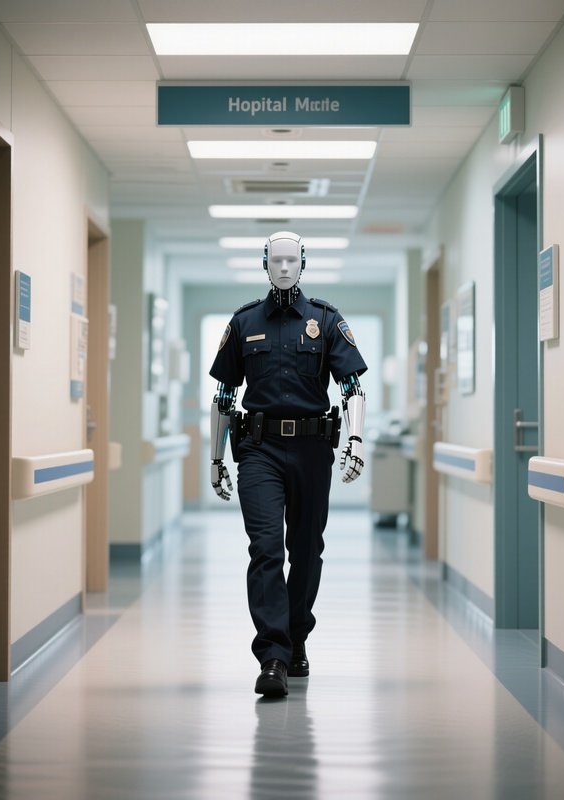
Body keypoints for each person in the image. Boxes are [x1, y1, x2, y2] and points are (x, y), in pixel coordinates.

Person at [209, 230, 368, 697]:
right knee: (265, 549)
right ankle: (273, 656)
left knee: (305, 550)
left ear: (304, 262)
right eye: (275, 260)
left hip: (312, 451)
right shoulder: (244, 323)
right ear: (264, 263)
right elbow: (223, 394)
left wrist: (355, 439)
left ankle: (297, 635)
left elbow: (352, 386)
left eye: (291, 259)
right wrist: (216, 458)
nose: (283, 267)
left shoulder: (325, 319)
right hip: (257, 451)